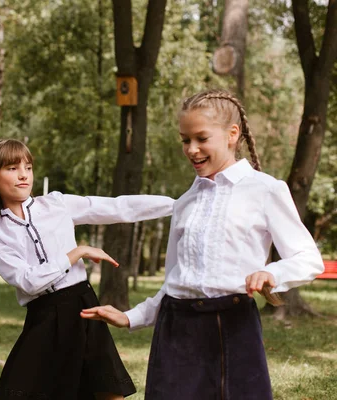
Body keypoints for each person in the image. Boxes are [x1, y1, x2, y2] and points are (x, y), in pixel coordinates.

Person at [81, 89, 325, 400]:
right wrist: (132, 317)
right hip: (175, 329)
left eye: (201, 138)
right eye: (185, 140)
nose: (192, 149)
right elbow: (175, 280)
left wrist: (273, 274)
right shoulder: (186, 201)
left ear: (231, 134)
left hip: (233, 328)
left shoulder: (265, 190)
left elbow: (307, 258)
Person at [0, 138, 175, 400]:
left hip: (83, 307)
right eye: (12, 168)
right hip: (44, 318)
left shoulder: (56, 204)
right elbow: (28, 281)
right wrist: (77, 253)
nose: (23, 175)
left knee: (107, 392)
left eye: (27, 166)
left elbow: (120, 207)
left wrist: (179, 205)